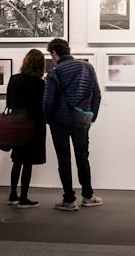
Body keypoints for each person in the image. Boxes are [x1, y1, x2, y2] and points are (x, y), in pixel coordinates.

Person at [43, 38, 103, 212]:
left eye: (51, 54)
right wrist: (91, 116)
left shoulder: (55, 73)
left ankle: (69, 200)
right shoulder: (87, 67)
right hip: (80, 121)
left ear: (54, 52)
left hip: (59, 121)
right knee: (82, 158)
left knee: (64, 160)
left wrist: (47, 119)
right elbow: (97, 95)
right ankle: (88, 196)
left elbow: (48, 102)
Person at [6, 49, 47, 214]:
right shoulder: (40, 83)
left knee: (17, 160)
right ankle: (23, 197)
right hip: (33, 125)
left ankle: (12, 194)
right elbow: (42, 106)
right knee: (28, 162)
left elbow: (9, 102)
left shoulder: (14, 79)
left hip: (17, 123)